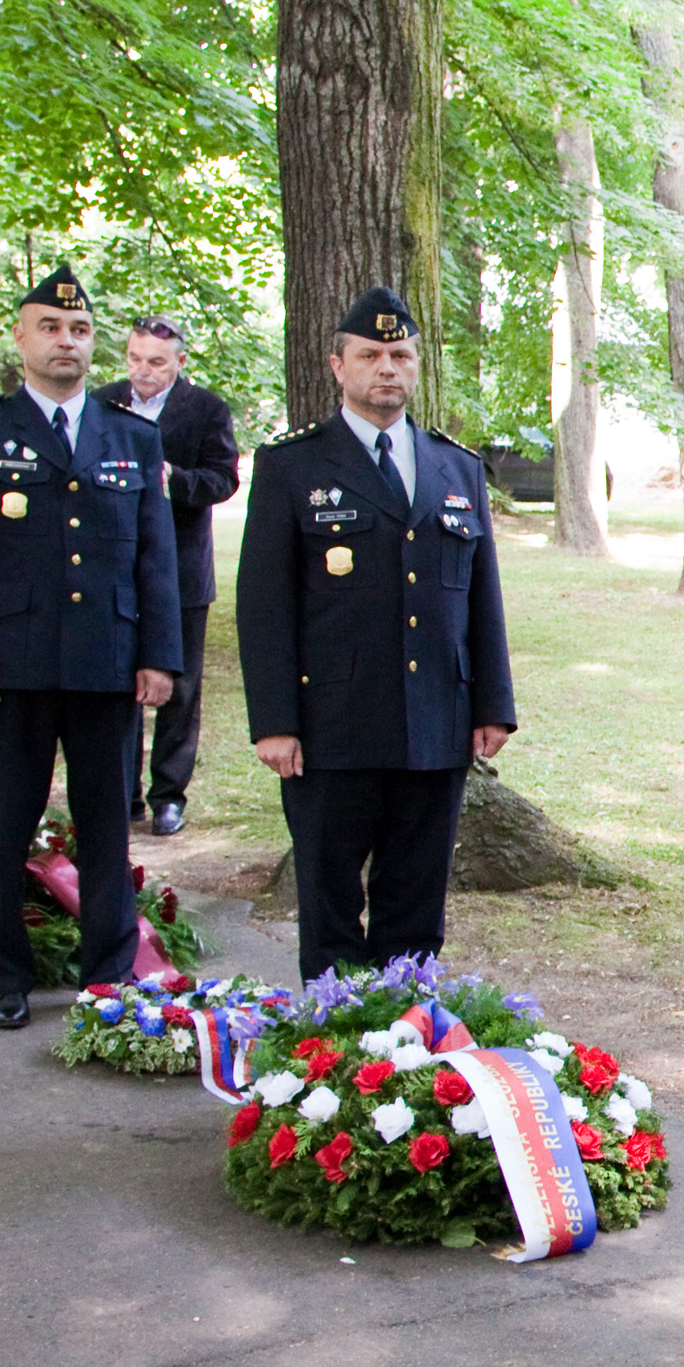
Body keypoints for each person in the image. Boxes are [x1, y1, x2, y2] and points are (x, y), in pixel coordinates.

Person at [235, 288, 516, 979]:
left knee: (415, 899)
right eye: (369, 355)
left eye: (400, 355)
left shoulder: (457, 466)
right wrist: (275, 721)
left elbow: (482, 594)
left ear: (418, 365)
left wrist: (492, 705)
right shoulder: (291, 466)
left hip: (434, 720)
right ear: (337, 365)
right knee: (329, 895)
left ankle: (405, 1035)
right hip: (332, 722)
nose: (385, 368)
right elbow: (263, 604)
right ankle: (331, 1045)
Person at [0, 265, 181, 1029]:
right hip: (11, 665)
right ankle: (8, 975)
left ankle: (109, 975)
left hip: (107, 660)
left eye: (78, 330)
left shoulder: (132, 436)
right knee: (6, 823)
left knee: (107, 821)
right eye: (50, 327)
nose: (66, 342)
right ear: (20, 336)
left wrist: (160, 656)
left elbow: (153, 555)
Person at [96, 314, 242, 834]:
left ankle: (168, 796)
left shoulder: (205, 409)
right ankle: (121, 792)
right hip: (113, 570)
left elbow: (224, 479)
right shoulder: (102, 402)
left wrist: (172, 480)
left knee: (179, 687)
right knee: (117, 681)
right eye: (135, 359)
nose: (143, 371)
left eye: (156, 362)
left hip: (181, 570)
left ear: (180, 362)